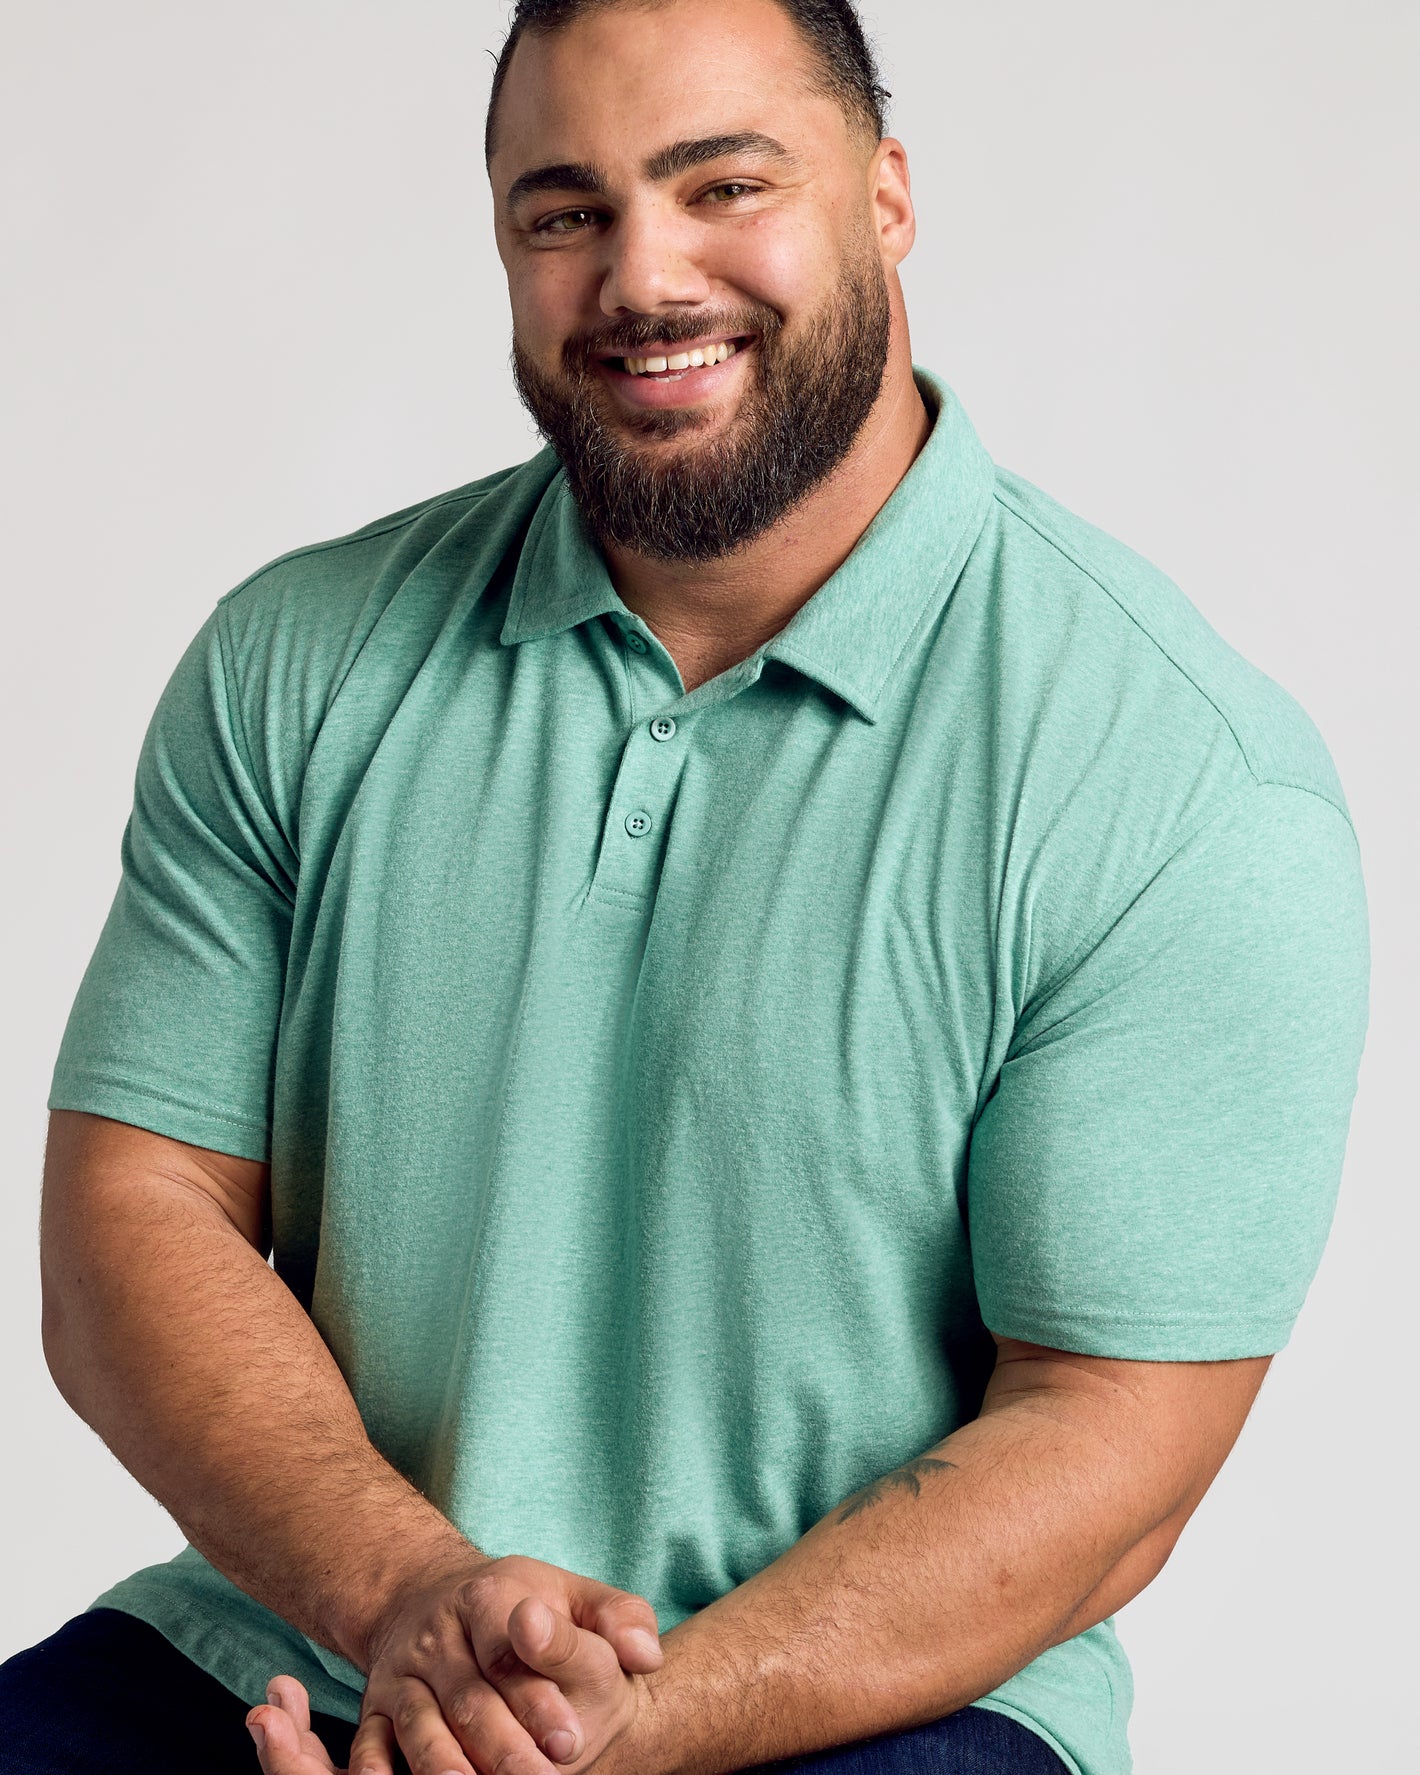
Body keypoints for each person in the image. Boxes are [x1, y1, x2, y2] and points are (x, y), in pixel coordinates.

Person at [13, 1, 1369, 1772]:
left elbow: (1109, 1448)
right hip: (305, 1636)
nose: (644, 276)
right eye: (562, 212)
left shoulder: (1184, 783)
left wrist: (593, 1744)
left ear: (886, 199)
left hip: (869, 1699)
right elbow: (135, 1215)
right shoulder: (300, 661)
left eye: (723, 184)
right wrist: (406, 1598)